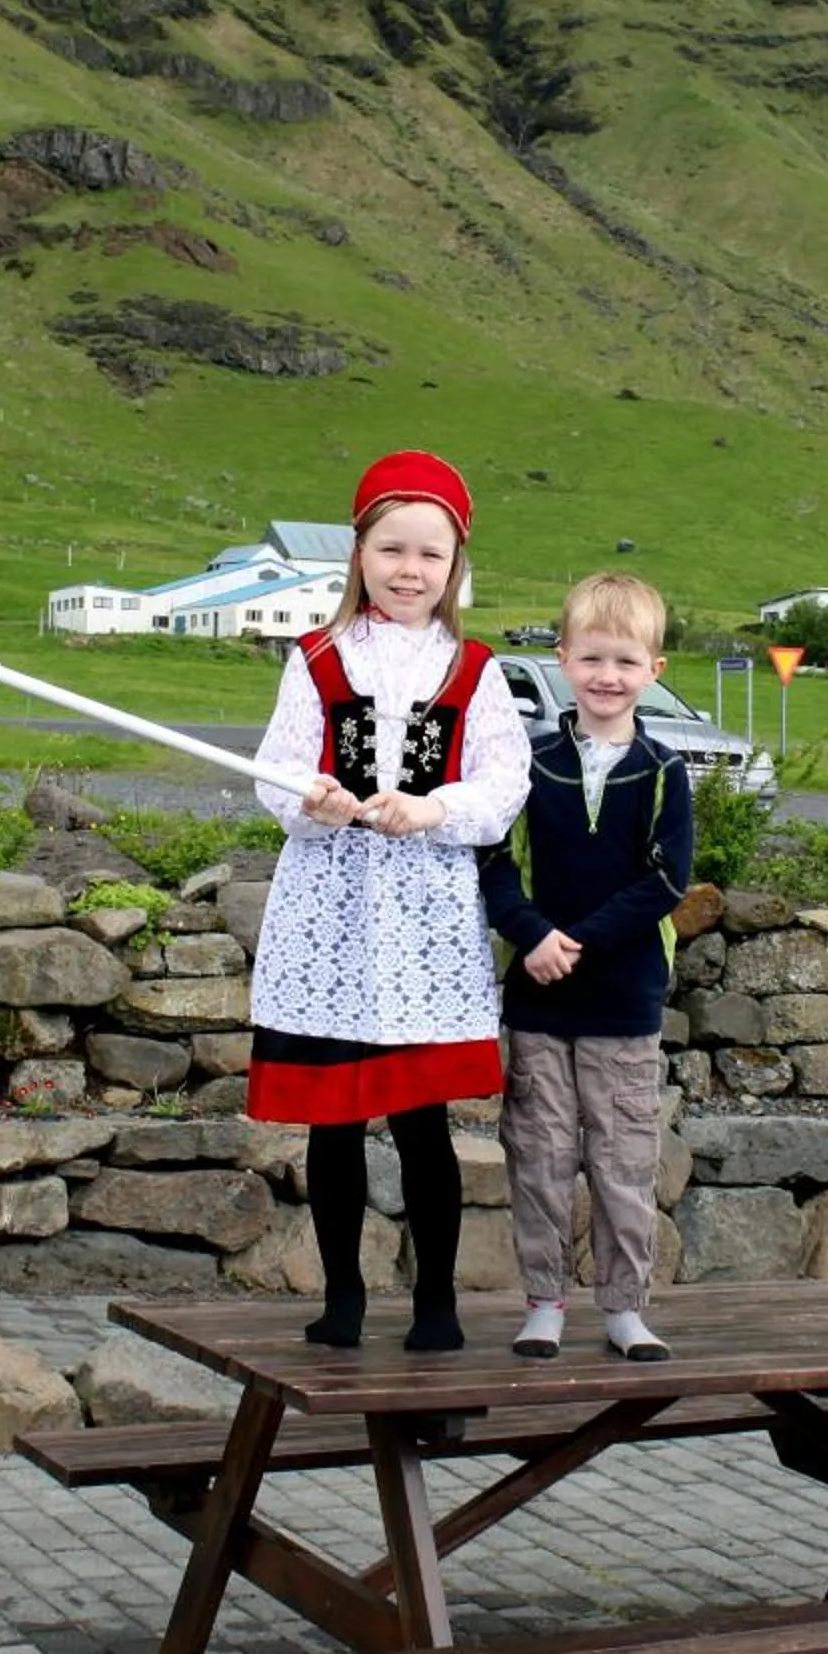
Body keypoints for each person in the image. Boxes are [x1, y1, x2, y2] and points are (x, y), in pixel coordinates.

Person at [248, 450, 531, 1351]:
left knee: (421, 1124)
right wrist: (313, 798)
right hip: (332, 909)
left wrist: (434, 807)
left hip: (423, 917)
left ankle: (437, 1303)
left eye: (430, 556)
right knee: (334, 1121)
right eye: (392, 550)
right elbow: (277, 768)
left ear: (456, 568)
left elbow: (504, 784)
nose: (410, 571)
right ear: (359, 552)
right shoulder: (319, 660)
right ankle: (342, 1299)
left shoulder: (476, 670)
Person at [479, 573, 694, 1362]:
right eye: (593, 658)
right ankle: (543, 1303)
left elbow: (666, 879)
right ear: (563, 658)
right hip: (537, 998)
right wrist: (534, 936)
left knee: (623, 1163)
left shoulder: (665, 772)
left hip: (623, 1001)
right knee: (537, 1159)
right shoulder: (527, 765)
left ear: (654, 671)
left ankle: (624, 1309)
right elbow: (496, 865)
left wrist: (583, 941)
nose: (609, 676)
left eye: (626, 662)